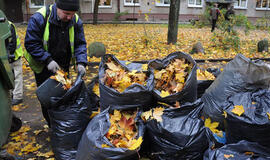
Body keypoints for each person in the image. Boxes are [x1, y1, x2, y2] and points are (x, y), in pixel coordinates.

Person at [24, 0, 87, 126]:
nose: (69, 17)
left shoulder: (75, 20)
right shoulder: (40, 18)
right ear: (57, 7)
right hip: (42, 66)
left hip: (63, 65)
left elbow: (80, 43)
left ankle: (62, 125)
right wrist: (47, 60)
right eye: (66, 13)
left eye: (72, 14)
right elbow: (31, 43)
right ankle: (52, 125)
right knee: (48, 99)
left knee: (64, 96)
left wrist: (81, 62)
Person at [6, 21, 24, 106]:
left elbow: (12, 44)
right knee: (11, 77)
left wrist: (8, 56)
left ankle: (18, 97)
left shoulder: (8, 25)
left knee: (17, 77)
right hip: (8, 56)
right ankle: (12, 95)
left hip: (15, 56)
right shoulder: (7, 24)